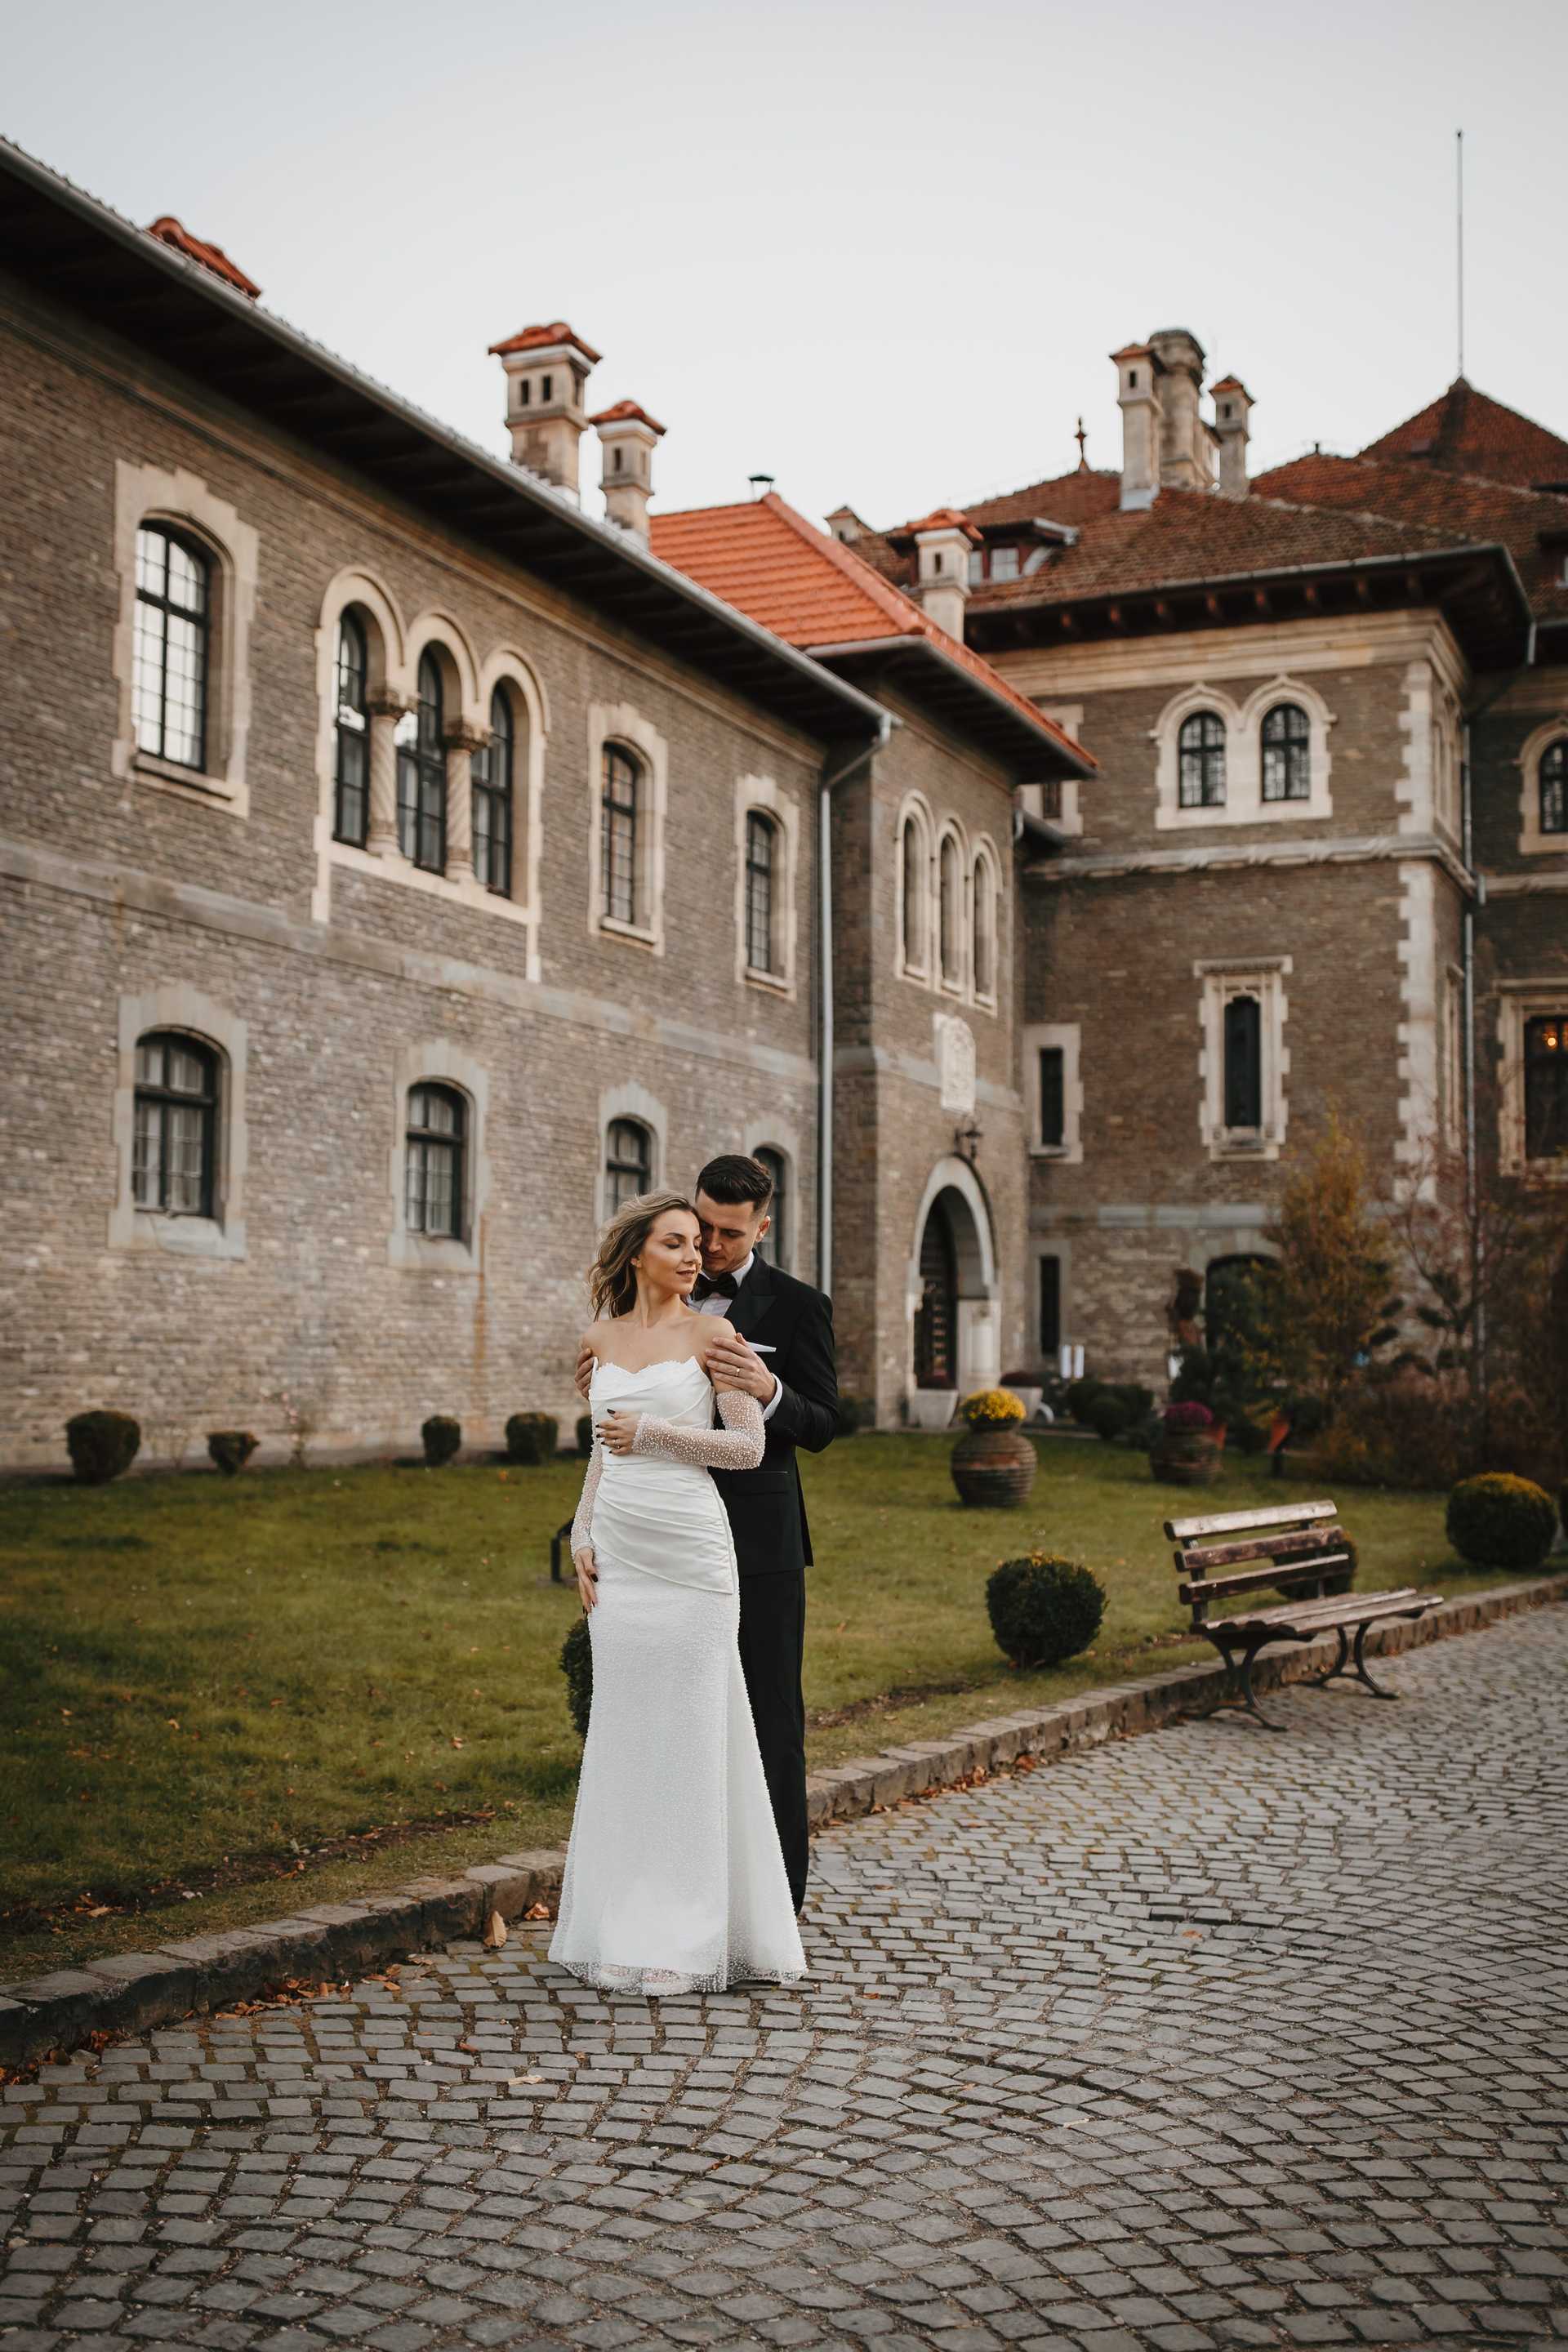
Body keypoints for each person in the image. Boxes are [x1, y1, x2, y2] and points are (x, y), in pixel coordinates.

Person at [555, 1188, 805, 1997]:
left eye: (698, 1242)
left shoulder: (714, 1335)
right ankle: (626, 1921)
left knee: (692, 1739)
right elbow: (602, 1450)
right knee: (628, 1740)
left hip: (692, 1557)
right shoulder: (598, 1339)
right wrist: (581, 1534)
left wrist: (655, 1434)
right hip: (621, 1558)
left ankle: (692, 1934)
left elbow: (746, 1446)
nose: (696, 1255)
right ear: (638, 1255)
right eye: (676, 1242)